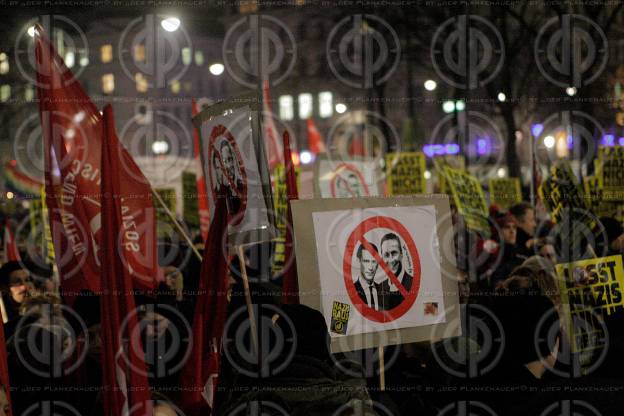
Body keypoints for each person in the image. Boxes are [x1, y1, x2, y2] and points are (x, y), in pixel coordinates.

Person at [353, 243, 391, 311]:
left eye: (374, 261)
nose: (370, 267)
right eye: (366, 261)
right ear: (358, 262)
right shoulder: (348, 292)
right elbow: (338, 321)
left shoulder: (384, 292)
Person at [380, 233, 413, 309]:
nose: (391, 259)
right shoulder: (380, 287)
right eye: (386, 255)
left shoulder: (412, 283)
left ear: (401, 255)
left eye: (394, 253)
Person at [213, 140, 244, 216]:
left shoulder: (242, 185)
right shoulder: (223, 190)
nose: (228, 166)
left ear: (234, 160)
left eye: (229, 159)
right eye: (224, 162)